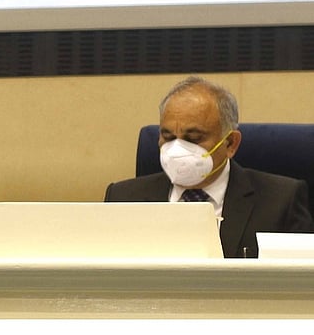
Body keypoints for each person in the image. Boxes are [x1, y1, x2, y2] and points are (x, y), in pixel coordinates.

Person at [104, 75, 313, 258]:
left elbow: (300, 282)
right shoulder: (122, 199)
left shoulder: (281, 202)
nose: (177, 149)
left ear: (230, 143)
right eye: (168, 137)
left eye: (193, 139)